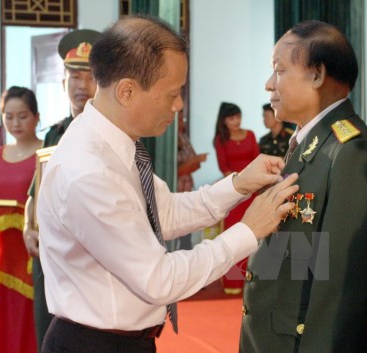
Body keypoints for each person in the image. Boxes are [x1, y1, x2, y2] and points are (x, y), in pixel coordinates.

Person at [37, 15, 299, 353]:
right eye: (172, 94)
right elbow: (159, 279)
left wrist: (238, 185)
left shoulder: (114, 145)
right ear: (127, 91)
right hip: (95, 344)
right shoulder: (90, 171)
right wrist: (248, 230)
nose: (178, 106)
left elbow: (165, 213)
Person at [239, 20, 367, 353]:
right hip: (275, 336)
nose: (269, 84)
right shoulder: (310, 144)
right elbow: (300, 253)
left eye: (279, 71)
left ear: (317, 75)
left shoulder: (352, 152)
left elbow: (347, 290)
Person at [22, 28, 100, 352]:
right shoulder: (53, 135)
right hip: (50, 261)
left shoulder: (115, 136)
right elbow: (34, 194)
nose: (81, 86)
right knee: (48, 337)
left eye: (89, 77)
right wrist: (28, 226)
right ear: (63, 82)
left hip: (91, 259)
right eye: (74, 77)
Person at [0, 86, 42, 353]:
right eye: (8, 116)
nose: (15, 123)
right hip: (1, 255)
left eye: (23, 116)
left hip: (30, 256)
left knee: (29, 320)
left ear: (37, 117)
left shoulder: (46, 154)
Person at [213, 102, 260, 294]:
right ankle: (233, 283)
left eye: (238, 117)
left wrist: (254, 182)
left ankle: (255, 281)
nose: (236, 121)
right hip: (234, 192)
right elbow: (223, 167)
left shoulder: (250, 134)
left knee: (256, 233)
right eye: (232, 118)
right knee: (235, 235)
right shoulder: (220, 140)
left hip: (254, 191)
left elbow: (257, 159)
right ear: (224, 121)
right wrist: (241, 183)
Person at [176, 109, 208, 250]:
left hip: (187, 187)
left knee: (186, 231)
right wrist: (192, 161)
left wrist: (193, 162)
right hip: (175, 187)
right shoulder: (168, 138)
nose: (182, 119)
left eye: (182, 115)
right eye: (180, 116)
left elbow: (196, 164)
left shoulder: (183, 137)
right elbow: (176, 170)